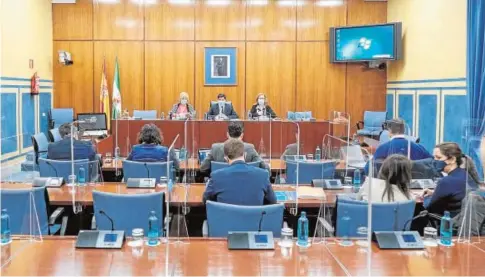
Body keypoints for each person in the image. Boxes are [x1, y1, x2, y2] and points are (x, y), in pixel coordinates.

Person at [203, 138, 277, 205]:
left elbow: (206, 200)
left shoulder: (216, 176)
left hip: (226, 219)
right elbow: (273, 202)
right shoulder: (263, 175)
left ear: (226, 158)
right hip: (255, 219)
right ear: (245, 155)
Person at [423, 142, 480, 217]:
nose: (435, 161)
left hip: (449, 224)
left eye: (439, 157)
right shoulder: (466, 174)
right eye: (434, 157)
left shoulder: (446, 181)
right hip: (462, 222)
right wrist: (435, 193)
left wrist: (425, 197)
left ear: (452, 159)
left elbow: (430, 208)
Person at [364, 118, 432, 175]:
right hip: (413, 185)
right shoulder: (419, 147)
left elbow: (369, 169)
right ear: (404, 130)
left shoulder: (383, 148)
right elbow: (431, 162)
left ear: (389, 131)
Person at [200, 121, 267, 173]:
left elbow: (203, 168)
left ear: (227, 134)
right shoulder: (249, 148)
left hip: (220, 187)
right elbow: (266, 169)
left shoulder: (215, 148)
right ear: (242, 135)